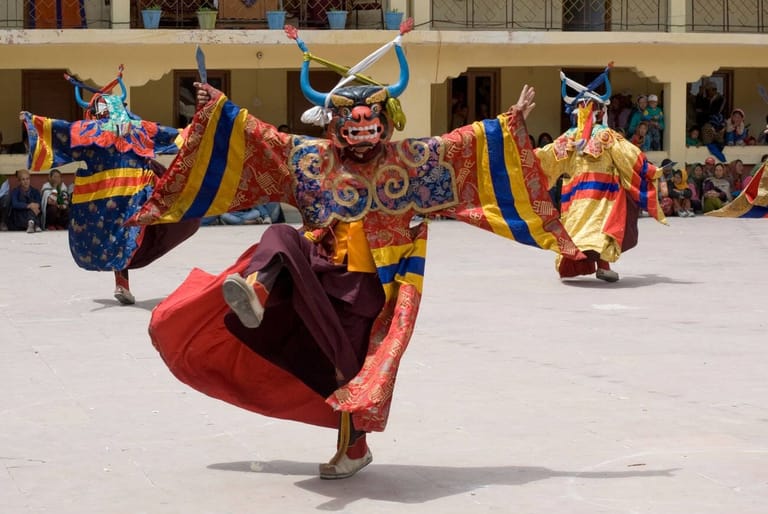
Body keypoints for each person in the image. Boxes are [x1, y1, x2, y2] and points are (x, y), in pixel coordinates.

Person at [133, 21, 581, 480]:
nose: (362, 129)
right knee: (279, 238)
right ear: (337, 126)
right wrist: (218, 108)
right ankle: (258, 291)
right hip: (320, 269)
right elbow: (259, 138)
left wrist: (509, 124)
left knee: (348, 369)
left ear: (384, 123)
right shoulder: (312, 160)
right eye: (352, 121)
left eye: (371, 120)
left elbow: (461, 147)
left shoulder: (411, 163)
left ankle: (354, 448)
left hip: (370, 288)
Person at [21, 65, 200, 304]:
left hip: (103, 199)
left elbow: (60, 133)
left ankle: (122, 284)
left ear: (95, 113)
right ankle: (123, 283)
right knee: (129, 236)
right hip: (133, 195)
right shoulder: (138, 128)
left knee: (117, 238)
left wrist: (32, 121)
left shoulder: (89, 131)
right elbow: (177, 137)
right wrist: (201, 126)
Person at [535, 64, 666, 283]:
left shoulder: (569, 137)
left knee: (580, 228)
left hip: (577, 193)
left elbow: (547, 158)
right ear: (601, 112)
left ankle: (584, 262)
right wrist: (649, 170)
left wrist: (529, 158)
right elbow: (629, 155)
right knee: (602, 228)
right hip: (603, 191)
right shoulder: (605, 135)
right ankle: (602, 266)